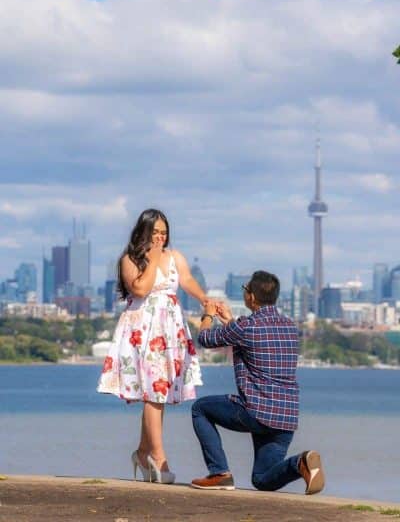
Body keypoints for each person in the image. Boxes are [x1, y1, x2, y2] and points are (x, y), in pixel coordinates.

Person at [97, 208, 208, 484]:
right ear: (143, 232)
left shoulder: (175, 257)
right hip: (142, 331)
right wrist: (152, 259)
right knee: (154, 391)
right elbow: (140, 289)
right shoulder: (129, 260)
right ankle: (158, 458)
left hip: (169, 328)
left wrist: (206, 300)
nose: (160, 238)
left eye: (164, 233)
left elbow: (187, 280)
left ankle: (143, 451)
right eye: (155, 232)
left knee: (161, 391)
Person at [190, 270, 325, 494]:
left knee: (200, 409)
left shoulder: (247, 326)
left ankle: (219, 473)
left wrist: (208, 315)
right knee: (262, 479)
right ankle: (300, 463)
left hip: (257, 412)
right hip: (286, 417)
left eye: (246, 289)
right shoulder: (290, 327)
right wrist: (230, 321)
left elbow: (204, 339)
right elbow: (252, 342)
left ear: (251, 297)